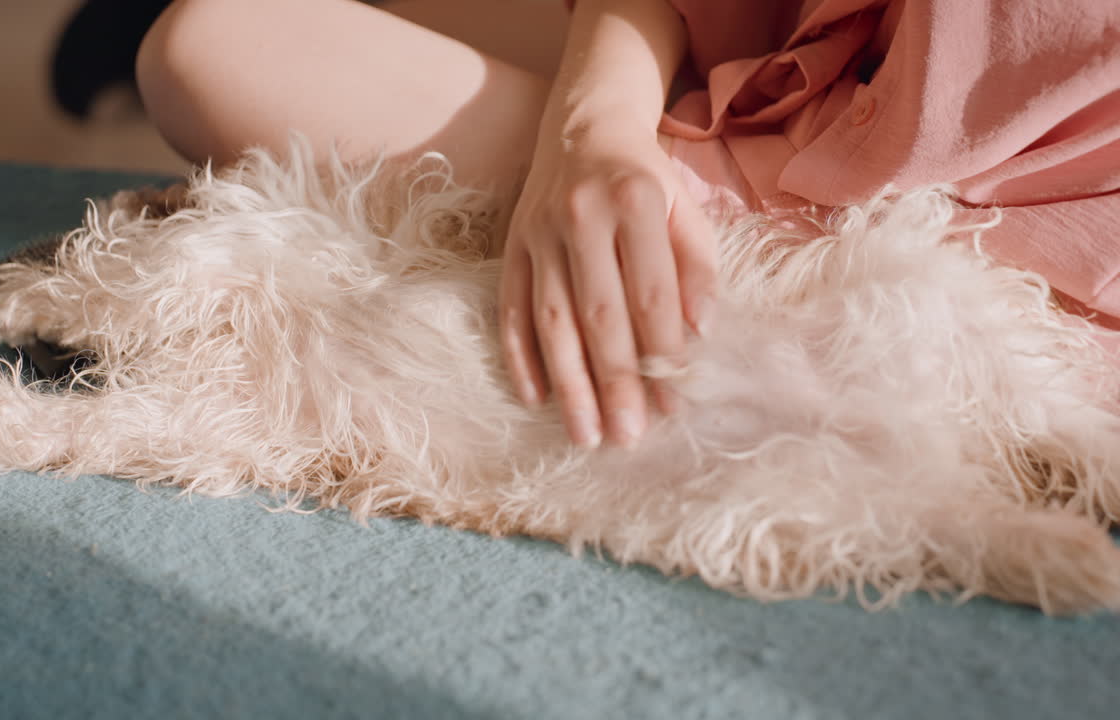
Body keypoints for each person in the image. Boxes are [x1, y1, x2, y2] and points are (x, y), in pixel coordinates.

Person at [135, 0, 1120, 450]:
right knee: (199, 46)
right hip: (780, 83)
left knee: (215, 50)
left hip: (823, 201)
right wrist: (592, 127)